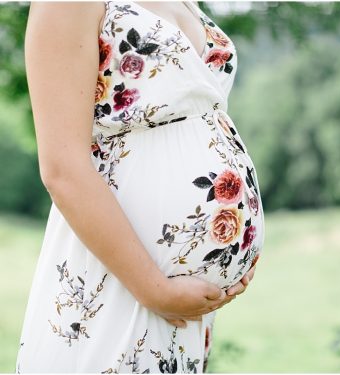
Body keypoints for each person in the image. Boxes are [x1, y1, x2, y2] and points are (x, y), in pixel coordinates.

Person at [15, 1, 265, 373]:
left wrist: (229, 255)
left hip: (184, 311)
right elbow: (62, 169)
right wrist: (154, 289)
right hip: (120, 282)